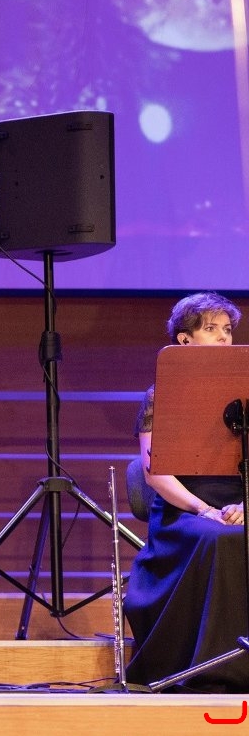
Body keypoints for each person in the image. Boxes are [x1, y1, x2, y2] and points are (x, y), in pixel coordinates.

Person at [125, 291, 249, 691]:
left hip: (240, 502)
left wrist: (245, 505)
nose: (223, 337)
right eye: (211, 328)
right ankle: (216, 671)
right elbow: (155, 474)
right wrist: (205, 510)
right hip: (185, 510)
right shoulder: (160, 395)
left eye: (227, 329)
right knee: (225, 539)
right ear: (184, 339)